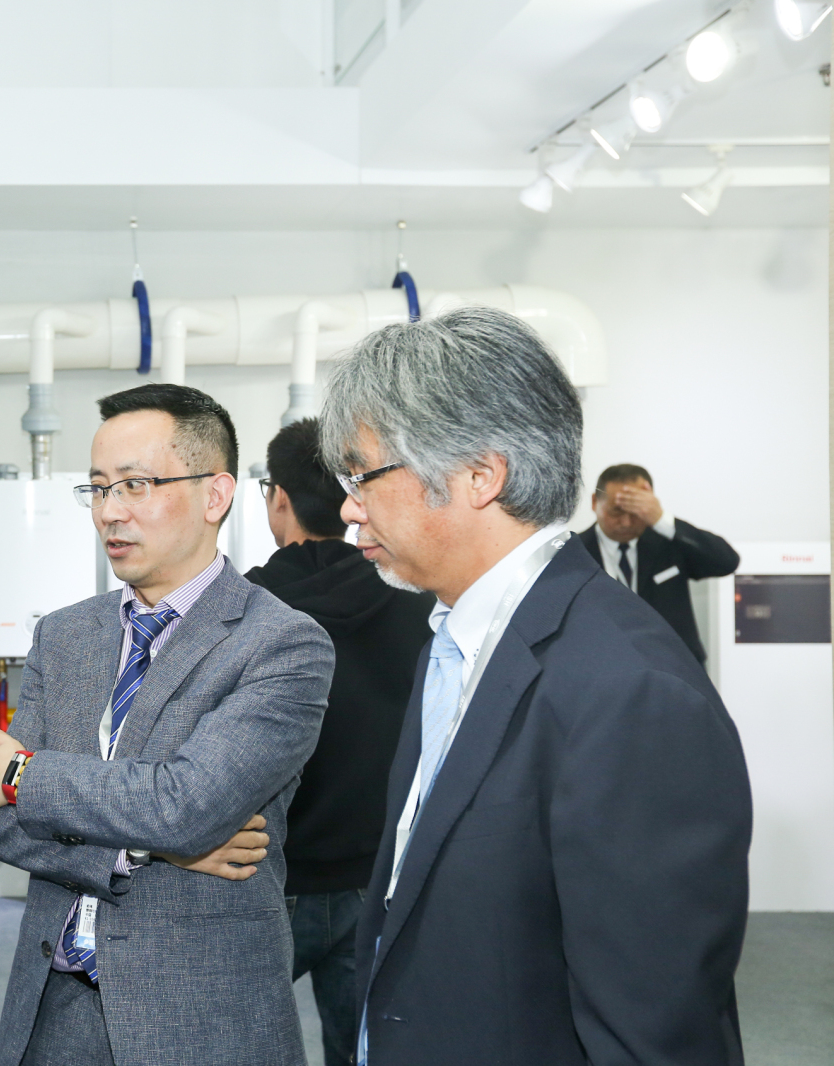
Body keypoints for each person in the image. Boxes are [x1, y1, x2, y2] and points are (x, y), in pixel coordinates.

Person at [318, 308, 751, 1065]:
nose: (350, 507)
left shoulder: (631, 691)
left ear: (480, 476)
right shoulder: (456, 638)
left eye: (364, 476)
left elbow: (653, 1026)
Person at [0, 383, 334, 1066]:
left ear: (215, 495)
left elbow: (185, 805)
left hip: (197, 1021)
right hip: (54, 1013)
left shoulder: (281, 643)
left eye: (136, 485)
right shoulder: (64, 636)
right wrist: (141, 851)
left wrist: (23, 776)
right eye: (98, 488)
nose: (110, 511)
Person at [243, 417, 432, 1066]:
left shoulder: (242, 609)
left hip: (265, 875)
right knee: (364, 1052)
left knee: (233, 1043)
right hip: (375, 878)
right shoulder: (413, 600)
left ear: (279, 497)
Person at [577, 463, 739, 663]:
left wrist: (662, 520)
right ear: (595, 502)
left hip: (673, 666)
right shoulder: (574, 552)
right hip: (600, 665)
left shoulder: (668, 542)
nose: (626, 522)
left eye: (636, 512)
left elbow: (727, 562)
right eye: (617, 511)